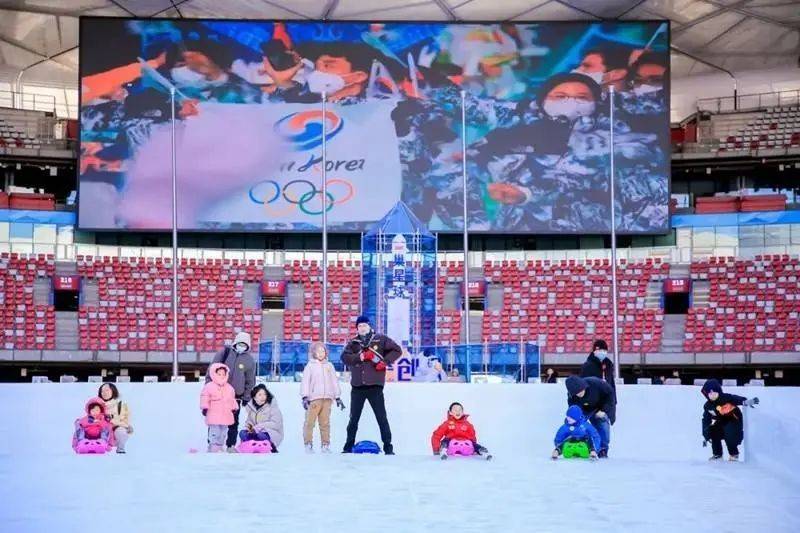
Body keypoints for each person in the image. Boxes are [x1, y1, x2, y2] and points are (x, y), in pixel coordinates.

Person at [341, 315, 402, 454]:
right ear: (357, 328)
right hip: (357, 387)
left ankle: (388, 447)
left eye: (364, 325)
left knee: (381, 418)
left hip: (375, 386)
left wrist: (385, 362)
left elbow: (397, 350)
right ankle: (348, 447)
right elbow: (344, 358)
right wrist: (359, 357)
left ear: (369, 326)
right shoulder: (353, 343)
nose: (362, 328)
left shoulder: (380, 339)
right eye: (359, 326)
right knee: (353, 419)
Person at [207, 331, 256, 452]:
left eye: (244, 344)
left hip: (236, 397)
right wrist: (208, 386)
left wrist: (246, 396)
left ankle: (230, 445)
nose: (242, 346)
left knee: (233, 421)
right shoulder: (224, 353)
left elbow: (250, 380)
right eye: (240, 343)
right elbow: (212, 369)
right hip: (218, 394)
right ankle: (212, 443)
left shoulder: (249, 360)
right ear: (235, 342)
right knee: (215, 419)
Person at [301, 342, 345, 453]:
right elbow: (305, 382)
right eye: (318, 351)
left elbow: (334, 381)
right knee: (310, 422)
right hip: (314, 399)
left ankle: (325, 445)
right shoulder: (310, 366)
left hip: (327, 399)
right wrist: (305, 396)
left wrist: (337, 396)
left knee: (325, 423)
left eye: (323, 351)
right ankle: (308, 444)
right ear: (314, 353)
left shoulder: (329, 366)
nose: (321, 353)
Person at [701, 379, 759, 461]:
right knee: (713, 430)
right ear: (707, 395)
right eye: (710, 394)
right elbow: (706, 420)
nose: (713, 395)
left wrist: (745, 402)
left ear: (719, 392)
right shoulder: (708, 406)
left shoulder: (726, 398)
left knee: (729, 433)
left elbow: (736, 399)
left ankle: (734, 454)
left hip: (733, 420)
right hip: (721, 422)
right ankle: (717, 455)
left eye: (715, 393)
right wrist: (706, 435)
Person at [565, 375, 616, 458]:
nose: (579, 394)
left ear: (584, 387)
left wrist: (604, 410)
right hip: (586, 409)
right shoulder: (572, 395)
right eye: (576, 393)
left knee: (602, 424)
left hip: (602, 405)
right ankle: (579, 445)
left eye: (581, 391)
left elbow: (610, 396)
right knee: (578, 424)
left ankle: (602, 449)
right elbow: (573, 409)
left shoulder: (596, 384)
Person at [200, 363, 238, 453]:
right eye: (219, 374)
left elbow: (232, 399)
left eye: (223, 374)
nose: (221, 376)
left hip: (226, 414)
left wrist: (234, 408)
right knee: (215, 431)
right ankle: (213, 445)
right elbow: (204, 396)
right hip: (214, 413)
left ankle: (220, 445)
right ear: (213, 374)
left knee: (223, 432)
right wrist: (205, 407)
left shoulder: (229, 388)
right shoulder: (209, 386)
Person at [240, 384, 284, 452]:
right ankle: (251, 446)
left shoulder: (273, 407)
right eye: (260, 395)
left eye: (264, 394)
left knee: (261, 435)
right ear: (254, 398)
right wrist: (249, 428)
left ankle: (270, 446)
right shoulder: (252, 409)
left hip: (271, 433)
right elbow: (249, 422)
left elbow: (276, 424)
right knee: (242, 433)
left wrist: (259, 427)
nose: (263, 397)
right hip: (256, 432)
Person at [98, 383, 132, 454]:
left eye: (107, 390)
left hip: (115, 431)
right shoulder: (97, 404)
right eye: (102, 391)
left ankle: (120, 448)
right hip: (102, 431)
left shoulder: (121, 405)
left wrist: (111, 420)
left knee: (121, 431)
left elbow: (126, 423)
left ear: (113, 391)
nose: (104, 393)